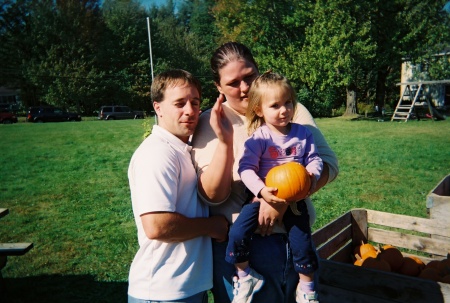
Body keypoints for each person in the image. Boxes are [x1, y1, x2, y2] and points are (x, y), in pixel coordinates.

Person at [191, 42, 339, 303]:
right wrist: (224, 141)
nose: (245, 87)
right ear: (219, 88)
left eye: (249, 76)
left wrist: (283, 200)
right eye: (233, 83)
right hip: (242, 250)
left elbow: (328, 165)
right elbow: (213, 196)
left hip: (296, 238)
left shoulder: (289, 109)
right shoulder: (210, 121)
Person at [127, 69, 229, 303]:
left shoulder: (180, 149)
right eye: (179, 103)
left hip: (186, 286)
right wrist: (212, 226)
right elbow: (157, 226)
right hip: (164, 290)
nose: (190, 111)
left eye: (195, 102)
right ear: (158, 107)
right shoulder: (157, 153)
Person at [226, 71, 323, 303]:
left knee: (302, 242)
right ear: (260, 110)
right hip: (262, 199)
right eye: (275, 105)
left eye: (288, 103)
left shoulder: (303, 134)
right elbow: (246, 169)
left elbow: (315, 159)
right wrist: (261, 191)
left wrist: (312, 174)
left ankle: (307, 288)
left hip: (295, 201)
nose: (284, 110)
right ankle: (244, 274)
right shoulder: (259, 138)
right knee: (238, 233)